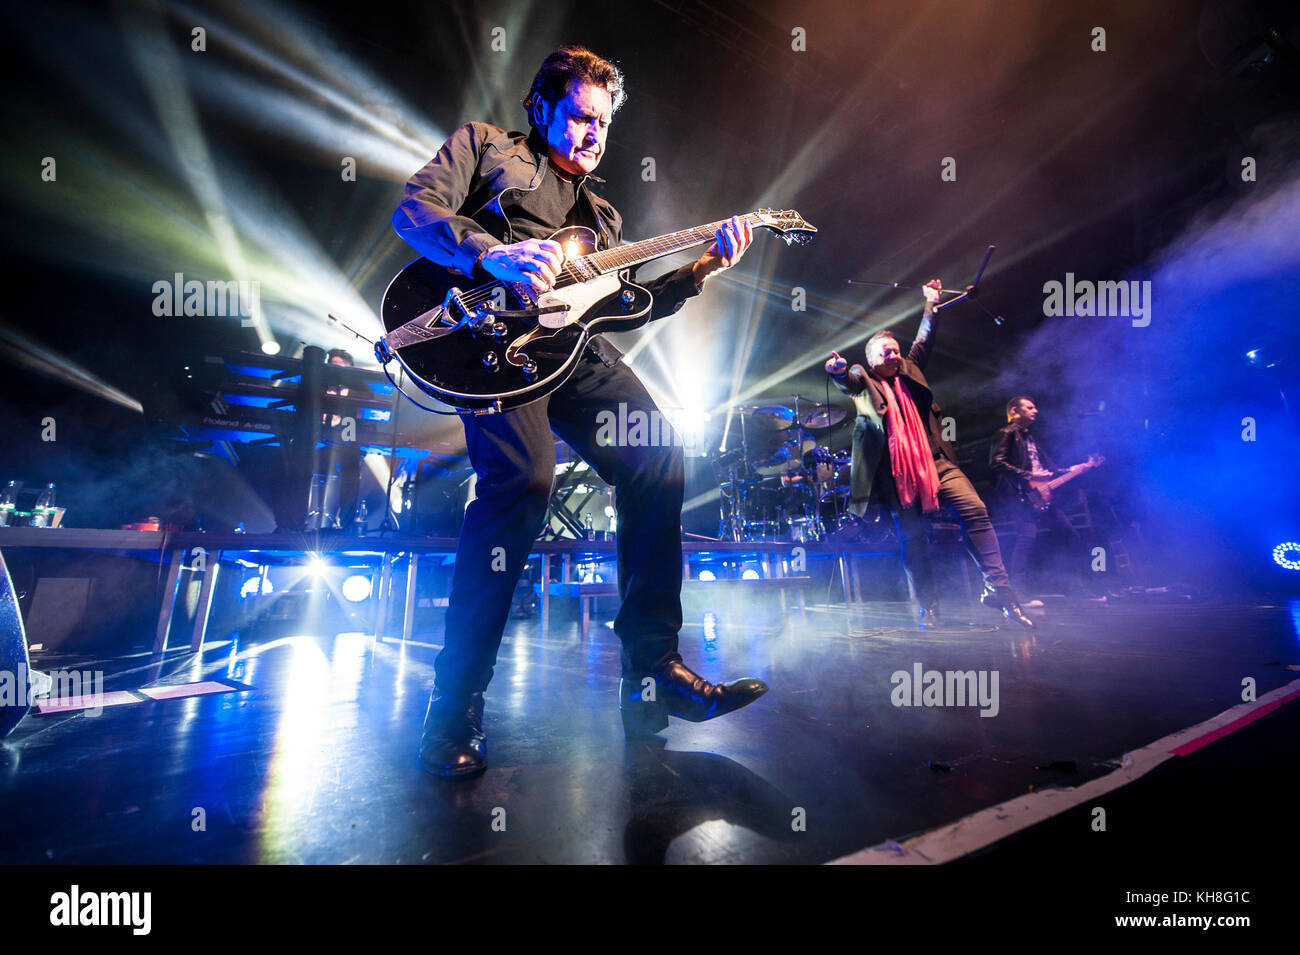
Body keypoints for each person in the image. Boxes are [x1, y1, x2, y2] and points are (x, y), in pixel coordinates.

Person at [392, 46, 767, 778]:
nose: (594, 135)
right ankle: (454, 706)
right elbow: (415, 211)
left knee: (659, 452)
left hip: (572, 352)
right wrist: (488, 256)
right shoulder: (485, 146)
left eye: (604, 124)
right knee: (523, 484)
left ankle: (652, 673)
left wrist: (698, 271)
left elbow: (621, 309)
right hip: (488, 340)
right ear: (542, 106)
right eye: (580, 117)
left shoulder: (603, 215)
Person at [825, 280, 1034, 630]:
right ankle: (928, 604)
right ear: (871, 359)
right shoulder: (865, 379)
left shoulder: (911, 369)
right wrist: (838, 373)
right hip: (896, 475)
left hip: (936, 461)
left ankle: (999, 591)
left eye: (895, 350)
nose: (893, 355)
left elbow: (924, 339)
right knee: (914, 539)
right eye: (885, 352)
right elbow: (850, 382)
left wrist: (930, 304)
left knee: (977, 511)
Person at [989, 397, 1101, 601]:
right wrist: (1028, 475)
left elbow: (1049, 470)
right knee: (1026, 540)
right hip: (1021, 496)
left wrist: (1075, 469)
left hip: (1045, 496)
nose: (1036, 411)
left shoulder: (1030, 438)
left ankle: (1079, 589)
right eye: (1030, 407)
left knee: (1071, 536)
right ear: (1015, 410)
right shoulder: (1006, 433)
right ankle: (1018, 596)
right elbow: (996, 463)